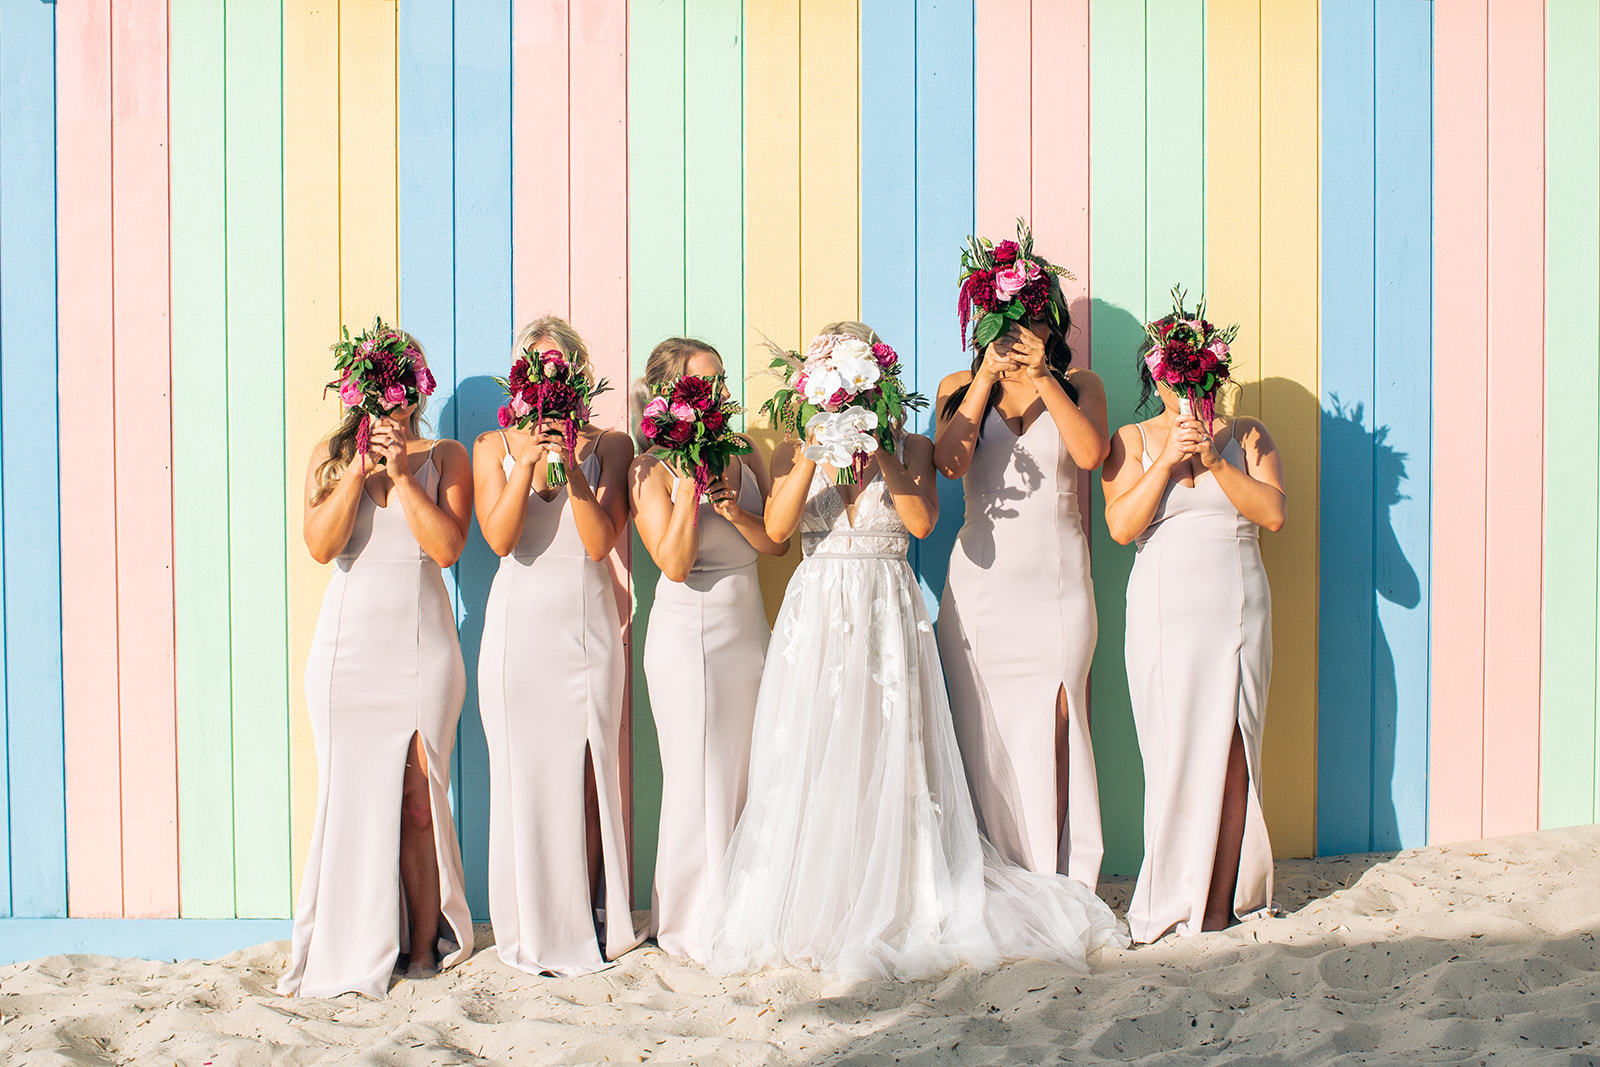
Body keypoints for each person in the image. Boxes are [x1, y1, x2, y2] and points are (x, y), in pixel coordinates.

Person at [705, 322, 1127, 980]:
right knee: (816, 757)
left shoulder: (913, 445)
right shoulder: (798, 444)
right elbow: (782, 531)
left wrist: (883, 454)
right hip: (817, 617)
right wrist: (817, 448)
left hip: (884, 614)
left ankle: (893, 895)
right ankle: (821, 900)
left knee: (886, 754)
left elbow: (924, 521)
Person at [281, 337, 474, 998]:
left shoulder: (444, 458)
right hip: (346, 653)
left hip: (422, 650)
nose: (385, 402)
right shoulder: (330, 459)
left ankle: (422, 946)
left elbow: (448, 548)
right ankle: (356, 940)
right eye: (372, 391)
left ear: (415, 392)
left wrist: (399, 475)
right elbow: (320, 544)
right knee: (354, 798)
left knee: (419, 804)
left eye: (395, 390)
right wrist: (361, 468)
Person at [1101, 329, 1285, 942]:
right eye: (1171, 375)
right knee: (1175, 751)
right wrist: (1168, 462)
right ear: (1154, 377)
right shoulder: (1131, 440)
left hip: (1237, 605)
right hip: (1163, 611)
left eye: (1194, 373)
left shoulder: (1249, 435)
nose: (1182, 387)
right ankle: (1174, 893)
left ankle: (1218, 902)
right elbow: (1122, 526)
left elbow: (1273, 514)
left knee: (1234, 749)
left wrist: (1210, 460)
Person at [473, 315, 641, 976]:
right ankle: (530, 922)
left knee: (591, 773)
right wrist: (528, 461)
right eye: (540, 369)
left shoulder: (613, 447)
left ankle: (590, 918)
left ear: (579, 376)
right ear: (522, 378)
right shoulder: (493, 445)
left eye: (563, 369)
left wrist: (570, 464)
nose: (553, 382)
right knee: (522, 775)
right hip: (517, 635)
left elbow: (601, 543)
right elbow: (500, 537)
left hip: (587, 627)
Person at [933, 272, 1110, 888]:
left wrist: (1040, 378)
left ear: (1050, 326)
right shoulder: (958, 387)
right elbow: (950, 463)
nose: (1018, 334)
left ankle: (1061, 879)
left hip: (1059, 584)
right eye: (1003, 324)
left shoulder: (1080, 385)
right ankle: (995, 878)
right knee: (982, 733)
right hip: (981, 589)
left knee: (1060, 725)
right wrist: (984, 379)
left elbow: (1089, 455)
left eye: (1030, 321)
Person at [630, 338, 788, 963]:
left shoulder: (745, 453)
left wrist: (731, 496)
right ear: (671, 394)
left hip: (747, 631)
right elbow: (671, 563)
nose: (720, 395)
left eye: (721, 383)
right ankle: (690, 923)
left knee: (746, 777)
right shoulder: (648, 469)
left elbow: (774, 543)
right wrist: (695, 490)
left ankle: (742, 911)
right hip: (685, 638)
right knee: (696, 780)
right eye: (706, 385)